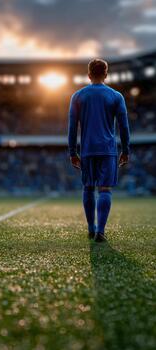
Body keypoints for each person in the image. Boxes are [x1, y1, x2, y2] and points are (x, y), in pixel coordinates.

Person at [68, 59, 130, 242]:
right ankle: (100, 230)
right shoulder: (116, 96)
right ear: (106, 74)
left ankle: (90, 227)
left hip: (87, 150)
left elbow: (72, 127)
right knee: (105, 190)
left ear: (88, 75)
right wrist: (125, 150)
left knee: (88, 188)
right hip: (108, 150)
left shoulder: (78, 96)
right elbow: (123, 126)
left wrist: (72, 152)